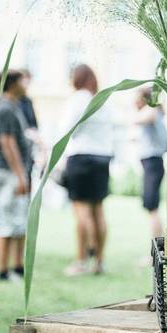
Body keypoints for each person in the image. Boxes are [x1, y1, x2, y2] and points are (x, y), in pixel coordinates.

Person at [62, 64, 114, 276]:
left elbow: (69, 130)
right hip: (102, 159)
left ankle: (81, 260)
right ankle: (99, 261)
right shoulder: (101, 100)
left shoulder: (78, 99)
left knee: (82, 212)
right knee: (99, 212)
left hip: (81, 158)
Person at [0, 69, 32, 282]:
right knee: (7, 221)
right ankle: (3, 270)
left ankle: (16, 267)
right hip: (9, 172)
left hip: (13, 172)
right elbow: (7, 143)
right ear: (12, 84)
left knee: (18, 221)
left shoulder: (13, 106)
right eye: (22, 81)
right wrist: (20, 175)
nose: (26, 85)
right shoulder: (5, 108)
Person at [134, 87, 167, 242]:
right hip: (152, 164)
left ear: (145, 100)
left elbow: (145, 116)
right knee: (152, 208)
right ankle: (158, 249)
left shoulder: (151, 111)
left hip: (153, 164)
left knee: (152, 208)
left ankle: (157, 251)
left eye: (137, 98)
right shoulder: (155, 113)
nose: (134, 102)